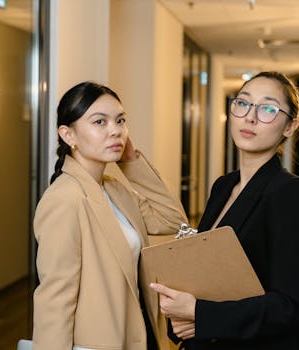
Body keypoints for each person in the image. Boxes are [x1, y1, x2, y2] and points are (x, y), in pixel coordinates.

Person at [150, 71, 299, 350]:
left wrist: (198, 313)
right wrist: (182, 315)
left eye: (268, 109)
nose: (250, 117)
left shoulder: (289, 194)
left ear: (290, 126)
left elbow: (292, 308)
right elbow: (203, 273)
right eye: (243, 103)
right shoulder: (223, 186)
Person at [32, 81, 187, 350]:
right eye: (100, 122)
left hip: (140, 333)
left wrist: (130, 160)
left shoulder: (115, 190)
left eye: (120, 121)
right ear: (68, 135)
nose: (115, 131)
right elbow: (55, 300)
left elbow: (172, 220)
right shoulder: (64, 199)